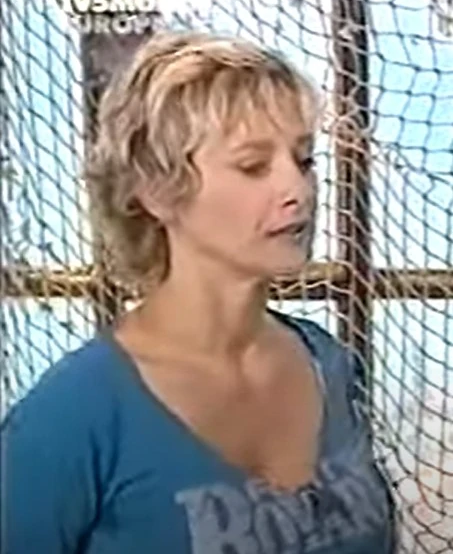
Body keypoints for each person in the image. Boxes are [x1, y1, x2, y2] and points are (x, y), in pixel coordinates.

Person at [2, 30, 396, 553]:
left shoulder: (329, 365)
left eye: (303, 160)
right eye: (253, 166)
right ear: (156, 190)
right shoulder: (70, 417)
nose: (298, 190)